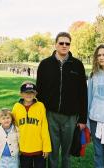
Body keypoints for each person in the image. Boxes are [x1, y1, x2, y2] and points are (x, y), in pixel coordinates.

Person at [36, 32, 87, 168]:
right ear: (55, 44)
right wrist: (40, 115)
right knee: (51, 152)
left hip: (70, 117)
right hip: (50, 115)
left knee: (66, 153)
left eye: (67, 43)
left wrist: (82, 119)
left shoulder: (77, 65)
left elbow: (83, 93)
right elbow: (39, 93)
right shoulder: (45, 64)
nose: (64, 46)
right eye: (61, 43)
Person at [12, 81, 51, 168]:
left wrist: (46, 147)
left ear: (35, 94)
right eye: (26, 92)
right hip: (24, 148)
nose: (29, 95)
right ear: (21, 94)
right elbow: (13, 127)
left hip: (39, 149)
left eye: (32, 92)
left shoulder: (40, 106)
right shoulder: (16, 107)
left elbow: (44, 128)